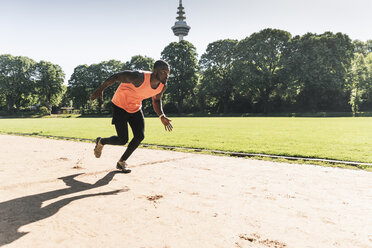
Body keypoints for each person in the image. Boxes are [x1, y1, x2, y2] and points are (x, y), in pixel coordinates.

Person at [89, 60, 173, 173]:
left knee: (139, 136)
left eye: (168, 72)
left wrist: (161, 115)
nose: (167, 75)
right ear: (155, 71)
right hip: (119, 106)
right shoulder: (138, 77)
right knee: (122, 140)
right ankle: (101, 142)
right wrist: (99, 90)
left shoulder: (162, 86)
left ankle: (121, 162)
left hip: (135, 107)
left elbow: (156, 100)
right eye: (163, 72)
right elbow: (116, 76)